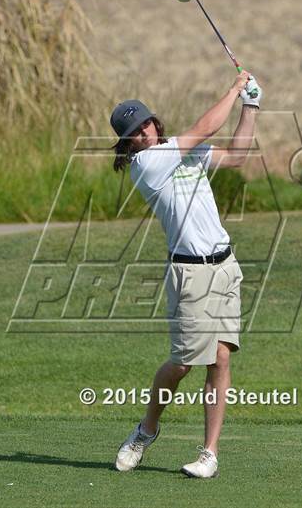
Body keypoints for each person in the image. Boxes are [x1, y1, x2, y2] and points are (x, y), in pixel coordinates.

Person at [110, 70, 262, 478]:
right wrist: (233, 88)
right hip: (189, 273)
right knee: (182, 364)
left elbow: (236, 156)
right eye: (134, 133)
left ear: (154, 122)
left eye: (146, 124)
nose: (143, 133)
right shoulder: (149, 163)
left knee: (221, 357)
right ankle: (146, 429)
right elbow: (203, 126)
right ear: (128, 144)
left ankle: (209, 454)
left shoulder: (182, 151)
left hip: (225, 265)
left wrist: (251, 106)